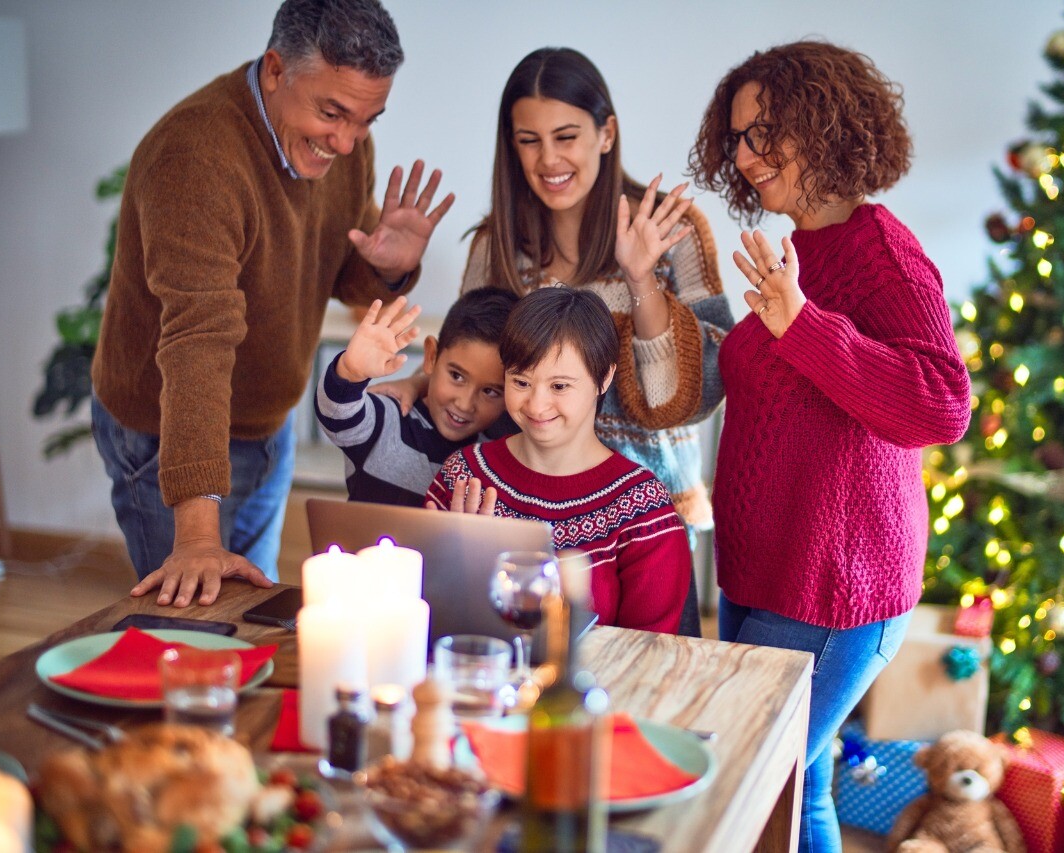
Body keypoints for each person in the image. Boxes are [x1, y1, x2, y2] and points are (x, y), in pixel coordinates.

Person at [688, 41, 972, 851]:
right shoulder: (797, 249)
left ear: (826, 126)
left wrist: (803, 324)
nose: (745, 156)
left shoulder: (883, 252)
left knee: (752, 776)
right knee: (796, 781)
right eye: (737, 137)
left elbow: (942, 403)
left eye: (765, 132)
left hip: (831, 589)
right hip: (761, 574)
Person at [90, 0, 455, 608]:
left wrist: (389, 269)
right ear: (277, 70)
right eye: (332, 113)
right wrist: (198, 537)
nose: (347, 140)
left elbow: (340, 273)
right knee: (190, 620)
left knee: (250, 612)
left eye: (367, 119)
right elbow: (196, 344)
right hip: (167, 427)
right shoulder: (195, 159)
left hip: (265, 421)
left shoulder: (342, 144)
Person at [426, 287, 691, 634]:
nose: (536, 406)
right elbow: (426, 612)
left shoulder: (642, 508)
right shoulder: (463, 476)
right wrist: (461, 560)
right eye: (521, 382)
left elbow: (650, 652)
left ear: (603, 378)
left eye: (560, 386)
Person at [314, 287, 518, 505]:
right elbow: (337, 416)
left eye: (490, 391)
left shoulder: (497, 458)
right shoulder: (389, 420)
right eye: (457, 376)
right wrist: (350, 372)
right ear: (431, 356)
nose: (465, 404)